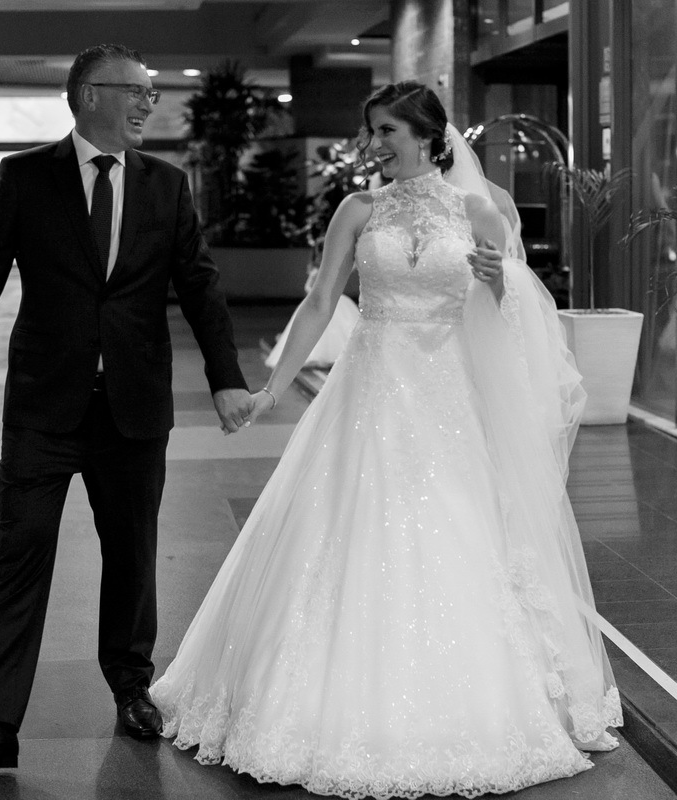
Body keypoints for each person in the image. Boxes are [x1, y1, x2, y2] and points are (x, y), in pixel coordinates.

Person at [150, 81, 621, 798]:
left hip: (451, 397)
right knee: (350, 526)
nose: (373, 145)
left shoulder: (481, 210)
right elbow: (319, 302)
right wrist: (272, 389)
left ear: (430, 136)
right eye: (370, 130)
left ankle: (481, 704)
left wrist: (500, 284)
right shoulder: (357, 209)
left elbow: (516, 321)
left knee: (459, 531)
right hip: (369, 388)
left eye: (387, 131)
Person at [0, 43, 255, 770]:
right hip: (43, 406)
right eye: (135, 90)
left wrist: (226, 376)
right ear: (88, 96)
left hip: (133, 407)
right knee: (20, 556)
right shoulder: (26, 177)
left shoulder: (166, 184)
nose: (148, 103)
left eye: (150, 92)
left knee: (133, 556)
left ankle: (131, 688)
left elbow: (199, 285)